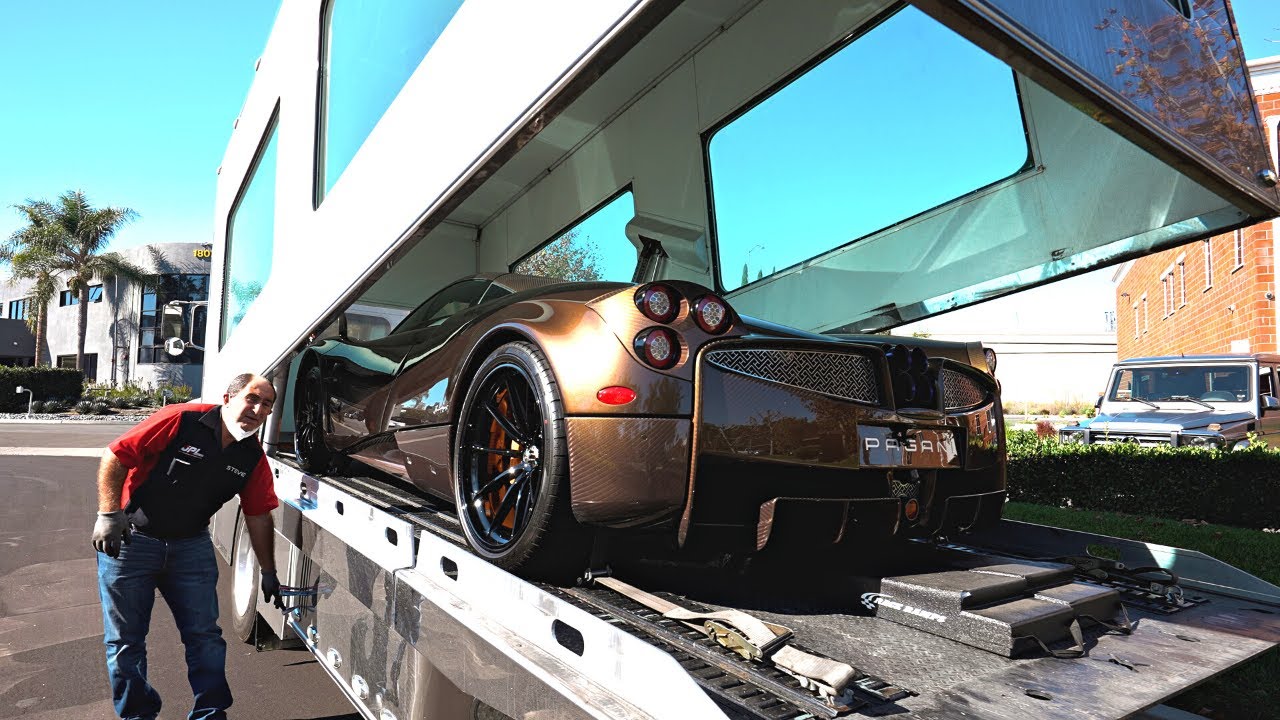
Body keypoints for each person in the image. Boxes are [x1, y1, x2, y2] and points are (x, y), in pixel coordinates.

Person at [91, 373, 284, 720]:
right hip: (132, 543)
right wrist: (108, 513)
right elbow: (116, 455)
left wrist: (268, 570)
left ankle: (210, 713)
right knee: (124, 642)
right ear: (228, 399)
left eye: (266, 404)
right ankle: (137, 713)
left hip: (190, 548)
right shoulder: (182, 419)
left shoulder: (252, 456)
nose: (257, 409)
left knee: (205, 637)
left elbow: (258, 515)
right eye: (252, 399)